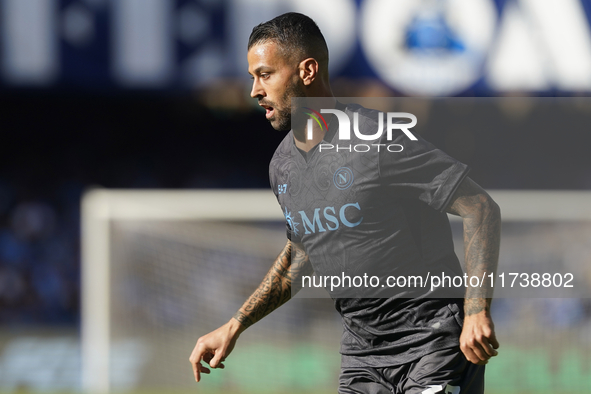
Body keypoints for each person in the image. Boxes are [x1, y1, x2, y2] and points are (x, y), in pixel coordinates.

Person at [189, 12, 501, 394]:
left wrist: (475, 310)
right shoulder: (282, 167)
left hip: (433, 343)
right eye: (253, 76)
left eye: (265, 74)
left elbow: (480, 207)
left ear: (307, 71)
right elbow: (300, 256)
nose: (254, 89)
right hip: (362, 358)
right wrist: (234, 325)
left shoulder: (379, 140)